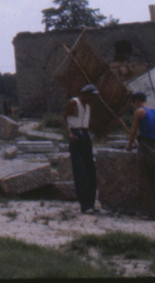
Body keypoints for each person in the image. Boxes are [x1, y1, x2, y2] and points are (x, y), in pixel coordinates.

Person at [126, 91, 155, 220]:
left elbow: (133, 130)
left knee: (146, 181)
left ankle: (153, 213)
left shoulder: (139, 111)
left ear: (137, 101)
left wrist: (129, 146)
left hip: (145, 146)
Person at [62, 83, 98, 212]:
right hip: (76, 135)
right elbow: (64, 118)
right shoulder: (73, 102)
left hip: (85, 135)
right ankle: (84, 205)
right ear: (84, 94)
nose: (92, 98)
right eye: (90, 95)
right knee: (80, 171)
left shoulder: (88, 106)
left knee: (91, 170)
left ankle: (91, 203)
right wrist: (69, 133)